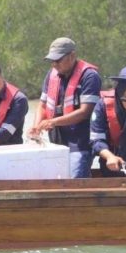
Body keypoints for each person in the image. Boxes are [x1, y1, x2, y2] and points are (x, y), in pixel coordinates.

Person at [28, 37, 102, 178]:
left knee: (75, 179)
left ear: (72, 56)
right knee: (58, 181)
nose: (54, 65)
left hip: (80, 143)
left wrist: (53, 122)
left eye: (58, 60)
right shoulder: (51, 75)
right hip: (56, 142)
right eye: (52, 61)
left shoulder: (90, 77)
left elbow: (85, 112)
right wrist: (36, 126)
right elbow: (42, 105)